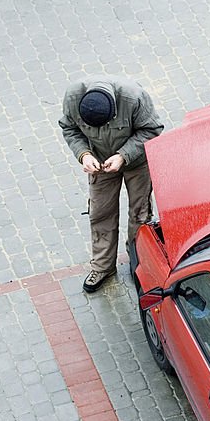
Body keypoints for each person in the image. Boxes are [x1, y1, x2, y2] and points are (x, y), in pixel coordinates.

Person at [60, 77, 164, 292]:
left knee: (139, 213)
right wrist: (84, 154)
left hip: (136, 162)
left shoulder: (134, 97)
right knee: (100, 213)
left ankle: (139, 261)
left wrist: (123, 156)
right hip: (99, 162)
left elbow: (153, 129)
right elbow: (69, 129)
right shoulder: (73, 98)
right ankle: (103, 266)